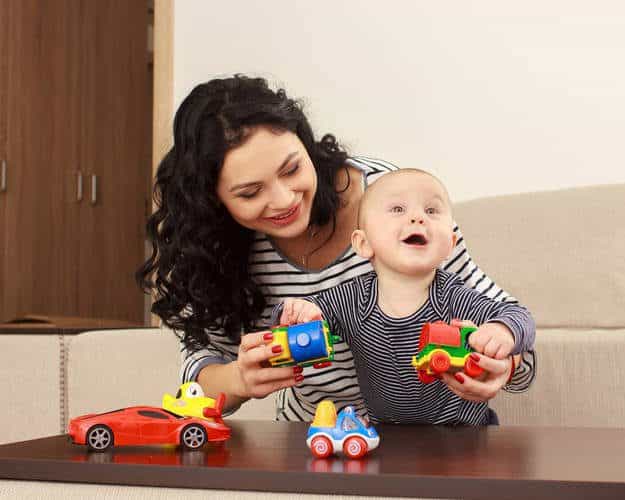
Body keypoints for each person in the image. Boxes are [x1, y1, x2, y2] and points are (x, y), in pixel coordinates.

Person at [136, 75, 536, 421]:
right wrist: (241, 379)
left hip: (431, 440)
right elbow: (198, 376)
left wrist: (500, 361)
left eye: (291, 168)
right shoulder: (219, 245)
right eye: (250, 192)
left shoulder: (397, 202)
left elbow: (511, 334)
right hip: (314, 438)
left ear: (306, 145)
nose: (283, 199)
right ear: (215, 201)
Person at [273, 169, 535, 425]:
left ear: (450, 245)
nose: (417, 218)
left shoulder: (455, 298)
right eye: (398, 209)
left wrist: (502, 331)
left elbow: (519, 316)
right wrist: (298, 310)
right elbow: (307, 311)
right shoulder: (352, 300)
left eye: (431, 211)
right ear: (363, 243)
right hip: (389, 439)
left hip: (463, 437)